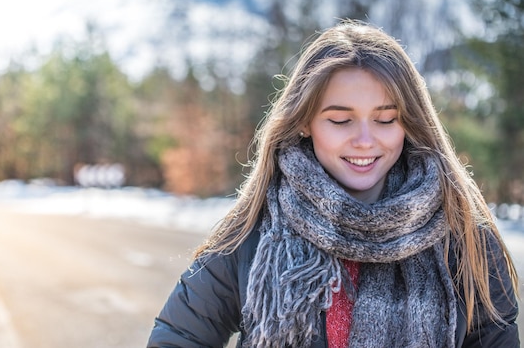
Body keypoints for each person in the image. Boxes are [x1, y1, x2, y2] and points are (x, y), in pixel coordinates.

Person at [146, 20, 520, 348]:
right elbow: (177, 337)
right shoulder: (252, 233)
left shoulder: (464, 236)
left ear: (409, 122)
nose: (364, 140)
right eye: (340, 120)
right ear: (304, 122)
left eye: (386, 119)